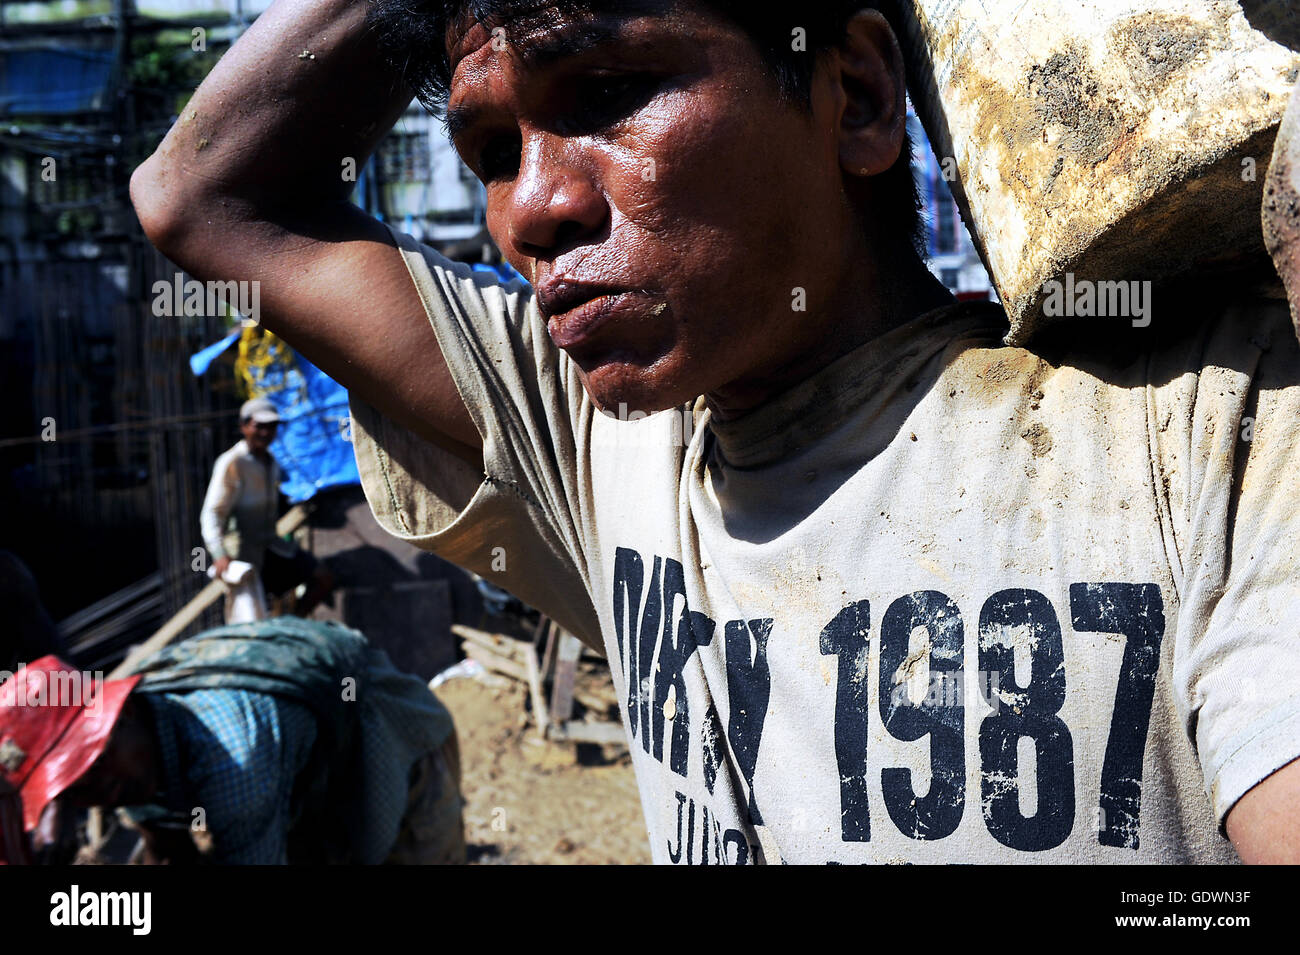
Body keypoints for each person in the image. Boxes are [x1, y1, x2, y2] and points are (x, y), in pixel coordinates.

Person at [130, 1, 1300, 863]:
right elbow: (199, 196)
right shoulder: (595, 444)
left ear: (856, 94)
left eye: (608, 93)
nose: (532, 208)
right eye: (492, 153)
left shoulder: (1207, 421)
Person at [0, 618, 465, 864]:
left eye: (93, 766)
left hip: (395, 733)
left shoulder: (233, 758)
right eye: (74, 787)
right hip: (305, 769)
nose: (97, 792)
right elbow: (167, 851)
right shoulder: (131, 764)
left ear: (119, 719)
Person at [200, 397, 334, 620]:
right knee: (250, 617)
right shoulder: (233, 462)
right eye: (259, 426)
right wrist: (219, 553)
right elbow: (212, 512)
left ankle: (293, 624)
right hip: (243, 554)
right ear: (244, 426)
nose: (265, 433)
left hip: (271, 546)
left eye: (271, 427)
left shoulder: (271, 462)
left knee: (322, 577)